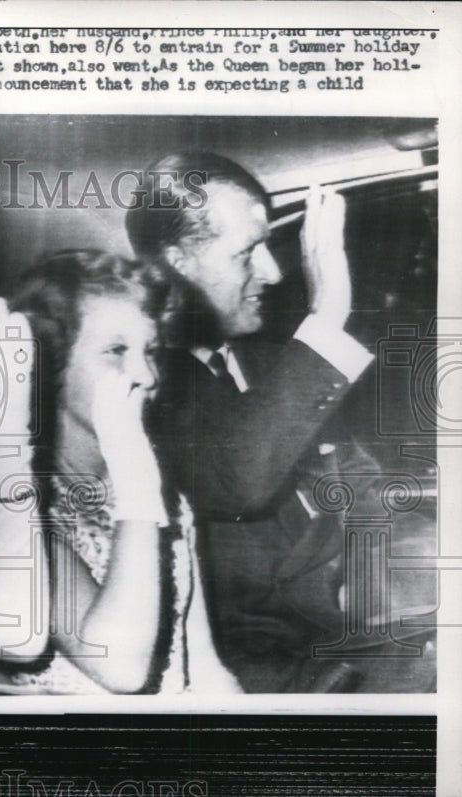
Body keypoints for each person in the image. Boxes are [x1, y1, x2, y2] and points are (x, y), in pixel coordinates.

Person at [126, 152, 378, 692]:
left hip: (348, 638)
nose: (273, 271)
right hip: (256, 677)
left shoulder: (272, 365)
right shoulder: (147, 391)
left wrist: (380, 573)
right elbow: (238, 482)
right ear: (177, 264)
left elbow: (361, 479)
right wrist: (328, 311)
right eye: (247, 252)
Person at [0, 250, 241, 693]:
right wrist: (139, 480)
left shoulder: (165, 498)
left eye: (151, 350)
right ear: (50, 365)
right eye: (116, 351)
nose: (146, 375)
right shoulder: (20, 507)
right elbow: (120, 666)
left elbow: (203, 666)